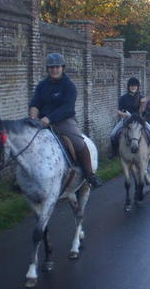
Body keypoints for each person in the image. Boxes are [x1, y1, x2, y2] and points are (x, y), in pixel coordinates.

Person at [29, 53, 102, 188]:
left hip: (64, 121)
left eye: (57, 67)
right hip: (41, 121)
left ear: (62, 68)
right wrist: (33, 117)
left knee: (78, 142)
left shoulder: (69, 86)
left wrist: (49, 118)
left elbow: (67, 108)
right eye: (51, 67)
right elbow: (35, 103)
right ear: (47, 69)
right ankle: (24, 178)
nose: (54, 70)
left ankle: (90, 174)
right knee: (26, 141)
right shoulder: (41, 85)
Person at [109, 77, 146, 158]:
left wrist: (143, 104)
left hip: (138, 120)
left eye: (135, 86)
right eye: (131, 86)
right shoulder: (123, 98)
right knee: (112, 134)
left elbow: (142, 112)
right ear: (128, 87)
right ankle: (115, 153)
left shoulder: (141, 97)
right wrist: (124, 115)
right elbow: (118, 111)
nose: (133, 87)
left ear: (137, 87)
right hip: (126, 120)